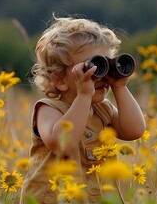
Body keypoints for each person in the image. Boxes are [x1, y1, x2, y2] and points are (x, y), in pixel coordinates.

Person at [20, 14, 146, 203]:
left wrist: (120, 86)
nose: (101, 76)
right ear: (59, 80)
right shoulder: (48, 109)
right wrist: (84, 95)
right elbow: (64, 144)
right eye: (93, 67)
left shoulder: (103, 111)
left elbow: (135, 130)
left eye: (106, 65)